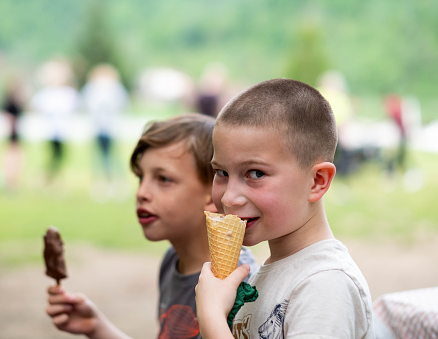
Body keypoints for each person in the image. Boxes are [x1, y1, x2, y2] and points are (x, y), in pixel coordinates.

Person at [45, 113, 259, 339]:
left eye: (163, 179)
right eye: (140, 178)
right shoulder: (172, 261)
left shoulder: (240, 285)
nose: (142, 193)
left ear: (213, 193)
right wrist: (96, 327)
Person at [195, 79, 374, 339]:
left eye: (255, 173)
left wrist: (211, 318)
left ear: (317, 181)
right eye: (221, 172)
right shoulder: (270, 273)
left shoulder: (326, 285)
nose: (229, 198)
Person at [81, 64, 129, 199]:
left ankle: (116, 184)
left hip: (111, 128)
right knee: (100, 158)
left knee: (111, 157)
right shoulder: (94, 88)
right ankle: (101, 184)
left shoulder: (113, 88)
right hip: (99, 128)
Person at [31, 59, 79, 184]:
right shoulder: (48, 93)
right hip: (50, 131)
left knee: (59, 156)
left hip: (62, 131)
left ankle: (50, 177)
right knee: (54, 156)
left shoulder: (67, 92)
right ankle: (47, 177)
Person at [0, 77, 25, 191]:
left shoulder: (17, 101)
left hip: (16, 134)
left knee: (17, 158)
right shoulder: (9, 102)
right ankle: (9, 181)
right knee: (12, 158)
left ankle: (13, 180)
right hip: (12, 134)